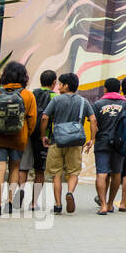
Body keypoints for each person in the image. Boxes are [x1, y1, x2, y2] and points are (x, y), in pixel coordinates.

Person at [0, 61, 38, 216]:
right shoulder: (28, 95)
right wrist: (25, 135)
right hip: (18, 139)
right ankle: (9, 202)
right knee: (14, 169)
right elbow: (32, 120)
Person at [40, 72, 94, 215]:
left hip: (57, 141)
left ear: (66, 85)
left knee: (56, 174)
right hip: (75, 142)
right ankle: (70, 192)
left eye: (60, 84)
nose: (58, 87)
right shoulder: (83, 102)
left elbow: (45, 117)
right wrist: (92, 139)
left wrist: (42, 135)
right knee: (73, 172)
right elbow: (93, 120)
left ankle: (58, 204)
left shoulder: (56, 100)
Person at [92, 77, 126, 214]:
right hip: (120, 143)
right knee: (117, 172)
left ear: (105, 89)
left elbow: (94, 123)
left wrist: (93, 138)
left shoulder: (98, 104)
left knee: (101, 173)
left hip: (102, 141)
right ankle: (111, 203)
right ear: (119, 89)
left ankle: (103, 205)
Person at [19, 69, 57, 212]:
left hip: (28, 135)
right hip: (44, 138)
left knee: (23, 167)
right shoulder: (55, 97)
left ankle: (21, 189)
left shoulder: (31, 94)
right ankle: (34, 203)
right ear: (54, 83)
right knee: (40, 170)